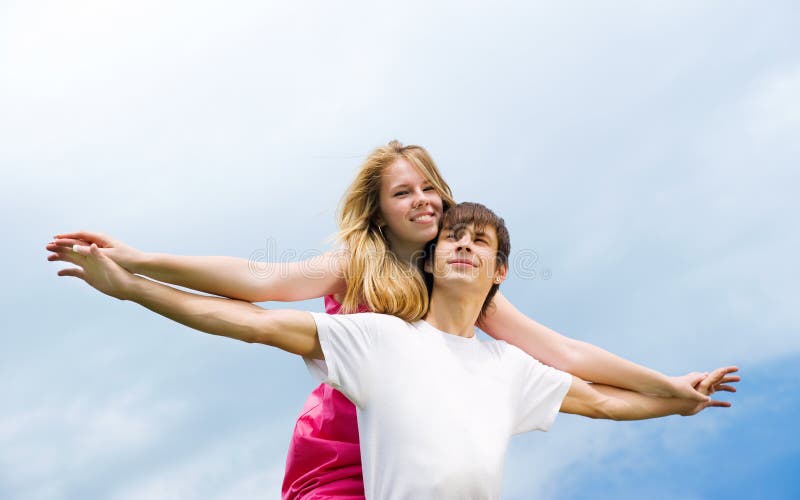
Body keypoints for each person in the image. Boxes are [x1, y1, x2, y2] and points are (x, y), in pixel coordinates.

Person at [46, 141, 728, 499]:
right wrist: (137, 264)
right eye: (404, 191)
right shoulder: (357, 261)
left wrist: (668, 387)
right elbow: (255, 289)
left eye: (430, 185)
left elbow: (564, 355)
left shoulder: (465, 278)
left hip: (416, 451)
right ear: (380, 210)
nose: (423, 200)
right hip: (343, 447)